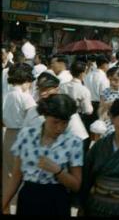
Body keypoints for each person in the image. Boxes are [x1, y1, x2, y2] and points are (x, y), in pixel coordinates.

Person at [2, 94, 83, 216]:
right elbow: (16, 176)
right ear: (45, 116)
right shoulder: (26, 135)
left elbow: (76, 185)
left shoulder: (74, 142)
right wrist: (4, 203)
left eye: (64, 123)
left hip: (57, 200)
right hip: (29, 198)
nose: (59, 128)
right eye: (55, 122)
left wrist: (57, 171)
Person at [2, 65, 37, 203]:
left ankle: (7, 202)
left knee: (9, 172)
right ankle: (19, 202)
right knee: (23, 172)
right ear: (27, 80)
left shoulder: (7, 95)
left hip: (8, 134)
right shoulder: (26, 98)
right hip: (23, 135)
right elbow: (34, 120)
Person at [59, 61, 93, 151]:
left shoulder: (62, 86)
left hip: (62, 117)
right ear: (83, 73)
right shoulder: (83, 90)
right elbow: (88, 110)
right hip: (78, 118)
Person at [84, 55, 110, 126]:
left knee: (89, 128)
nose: (108, 67)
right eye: (108, 64)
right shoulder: (104, 78)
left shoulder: (88, 75)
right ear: (104, 64)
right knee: (97, 130)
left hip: (87, 104)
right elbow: (104, 96)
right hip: (98, 106)